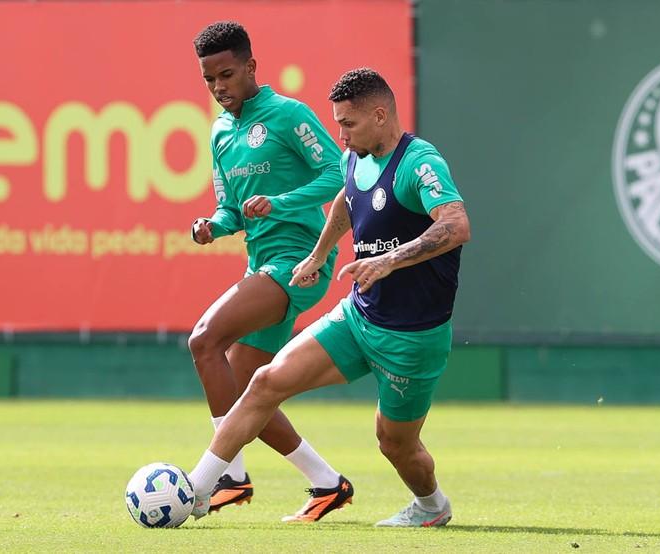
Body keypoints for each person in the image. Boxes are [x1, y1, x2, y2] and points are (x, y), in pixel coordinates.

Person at [188, 67, 470, 527]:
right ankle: (197, 490)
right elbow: (345, 199)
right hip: (358, 318)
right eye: (338, 124)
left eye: (349, 124)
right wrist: (319, 254)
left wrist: (389, 260)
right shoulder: (353, 158)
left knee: (395, 444)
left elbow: (456, 225)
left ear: (380, 116)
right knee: (264, 383)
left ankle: (432, 506)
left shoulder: (420, 162)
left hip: (412, 338)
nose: (340, 135)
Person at [187, 21, 353, 522]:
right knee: (247, 393)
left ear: (252, 67)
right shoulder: (220, 132)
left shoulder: (287, 115)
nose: (219, 87)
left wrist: (280, 202)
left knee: (204, 340)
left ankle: (228, 475)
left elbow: (339, 174)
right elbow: (231, 209)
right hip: (260, 263)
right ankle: (327, 483)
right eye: (209, 79)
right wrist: (212, 226)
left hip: (300, 260)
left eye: (227, 75)